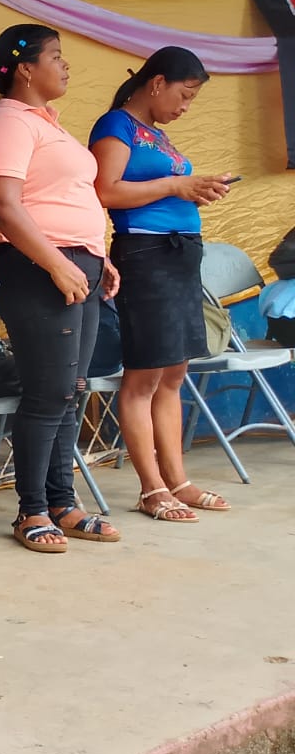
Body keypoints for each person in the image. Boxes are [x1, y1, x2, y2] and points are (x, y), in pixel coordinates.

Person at [0, 24, 121, 552]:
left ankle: (63, 501)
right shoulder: (10, 123)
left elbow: (66, 197)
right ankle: (31, 510)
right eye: (55, 56)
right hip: (39, 268)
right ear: (25, 69)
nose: (65, 65)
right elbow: (4, 204)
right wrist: (58, 263)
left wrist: (99, 257)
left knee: (71, 389)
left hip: (77, 264)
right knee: (49, 391)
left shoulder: (48, 123)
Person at [91, 45, 232, 520]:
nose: (186, 106)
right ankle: (152, 488)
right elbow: (107, 190)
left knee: (173, 374)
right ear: (156, 83)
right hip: (146, 255)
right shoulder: (117, 126)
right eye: (185, 94)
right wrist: (176, 186)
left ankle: (179, 481)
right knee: (145, 376)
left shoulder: (157, 135)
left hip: (179, 254)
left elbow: (166, 188)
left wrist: (198, 188)